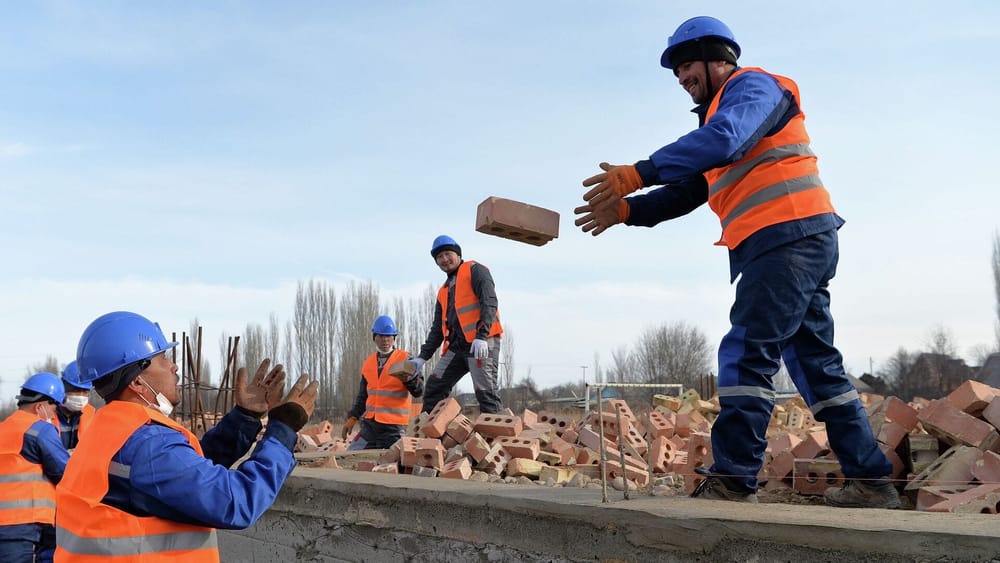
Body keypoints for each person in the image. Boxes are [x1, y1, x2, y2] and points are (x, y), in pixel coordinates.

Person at [574, 16, 899, 509]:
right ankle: (871, 480)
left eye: (686, 65)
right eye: (676, 71)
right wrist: (627, 210)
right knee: (816, 366)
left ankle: (732, 478)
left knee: (748, 353)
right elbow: (689, 189)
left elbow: (724, 139)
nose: (681, 78)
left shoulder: (754, 88)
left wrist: (638, 172)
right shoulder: (716, 121)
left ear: (717, 57)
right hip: (792, 240)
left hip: (787, 235)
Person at [54, 311, 319, 561]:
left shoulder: (109, 432)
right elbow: (237, 502)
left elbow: (187, 472)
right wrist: (283, 428)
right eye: (162, 359)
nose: (174, 366)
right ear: (136, 381)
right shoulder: (149, 444)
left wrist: (245, 418)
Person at [412, 235, 504, 414]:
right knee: (434, 386)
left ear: (458, 254)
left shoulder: (475, 270)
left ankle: (497, 438)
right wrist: (422, 357)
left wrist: (481, 336)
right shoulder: (443, 291)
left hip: (480, 343)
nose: (444, 259)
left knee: (485, 393)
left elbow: (489, 302)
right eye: (439, 257)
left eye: (448, 254)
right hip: (457, 347)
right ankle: (430, 436)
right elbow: (437, 329)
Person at [0, 372, 70, 563]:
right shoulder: (39, 429)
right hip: (24, 527)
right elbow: (67, 474)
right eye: (54, 409)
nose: (55, 416)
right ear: (40, 407)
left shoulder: (3, 429)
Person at [341, 315, 424, 449]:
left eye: (388, 336)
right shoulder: (368, 363)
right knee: (353, 452)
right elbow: (363, 396)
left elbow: (419, 391)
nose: (385, 340)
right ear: (374, 338)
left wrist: (409, 379)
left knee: (389, 464)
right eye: (381, 336)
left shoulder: (406, 359)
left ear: (394, 338)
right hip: (370, 426)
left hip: (394, 428)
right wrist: (353, 417)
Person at [54, 361, 96, 451]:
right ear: (63, 388)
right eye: (76, 390)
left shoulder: (92, 415)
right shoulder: (47, 414)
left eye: (85, 391)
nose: (81, 396)